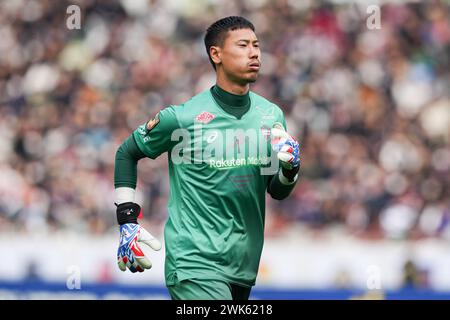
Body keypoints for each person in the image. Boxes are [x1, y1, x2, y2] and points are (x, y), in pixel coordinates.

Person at [114, 16, 300, 300]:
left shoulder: (271, 116)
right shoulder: (183, 117)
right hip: (193, 262)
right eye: (243, 45)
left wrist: (290, 170)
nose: (254, 52)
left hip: (243, 265)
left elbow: (276, 190)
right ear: (216, 54)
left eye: (257, 45)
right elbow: (127, 153)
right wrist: (127, 218)